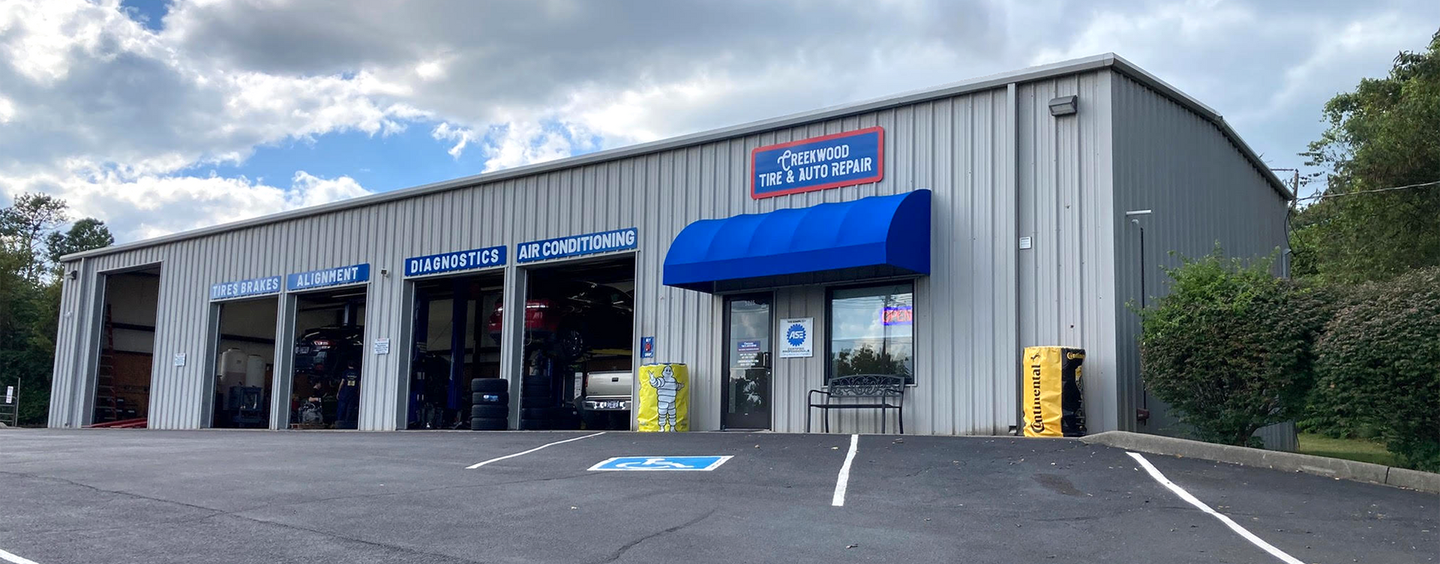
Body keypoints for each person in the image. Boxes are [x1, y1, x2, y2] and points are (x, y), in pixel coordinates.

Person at [336, 360, 361, 429]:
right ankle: (348, 421)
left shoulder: (345, 372)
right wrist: (358, 392)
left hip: (345, 392)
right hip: (353, 392)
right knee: (350, 408)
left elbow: (342, 382)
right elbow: (359, 384)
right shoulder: (358, 373)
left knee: (342, 407)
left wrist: (338, 392)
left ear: (348, 365)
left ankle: (340, 421)